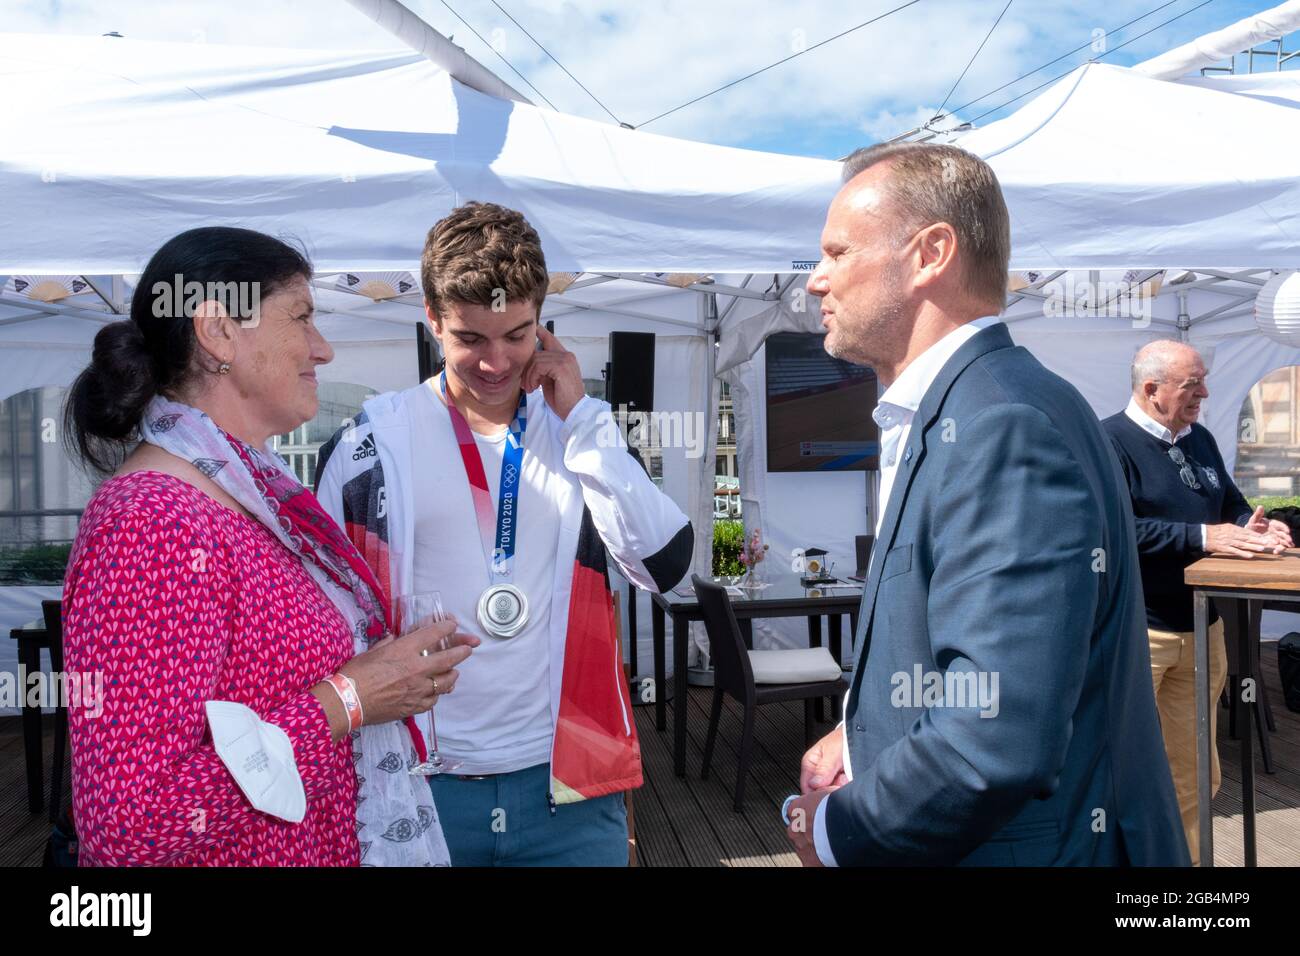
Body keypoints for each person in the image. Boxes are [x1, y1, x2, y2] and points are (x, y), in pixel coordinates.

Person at [786, 142, 1189, 866]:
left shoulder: (1002, 423)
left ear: (929, 253)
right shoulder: (975, 405)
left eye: (837, 251)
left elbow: (994, 733)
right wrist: (858, 730)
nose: (816, 280)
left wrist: (834, 831)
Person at [61, 226, 476, 866]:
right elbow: (131, 827)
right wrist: (348, 700)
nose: (324, 348)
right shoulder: (153, 519)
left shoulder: (249, 494)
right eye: (302, 318)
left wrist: (381, 671)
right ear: (218, 331)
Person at [315, 201, 693, 866]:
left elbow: (665, 563)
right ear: (432, 320)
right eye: (470, 338)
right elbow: (322, 618)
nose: (495, 363)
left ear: (543, 325)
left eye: (516, 336)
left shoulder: (577, 428)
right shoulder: (374, 440)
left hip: (567, 789)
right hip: (420, 786)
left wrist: (584, 422)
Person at [1102, 340, 1292, 864]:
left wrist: (1254, 524)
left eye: (1203, 381)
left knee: (1195, 774)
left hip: (1202, 632)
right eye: (1192, 386)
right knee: (1130, 771)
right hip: (1139, 634)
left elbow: (1228, 505)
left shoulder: (1200, 438)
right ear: (1151, 389)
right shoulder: (1108, 442)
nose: (1204, 393)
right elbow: (1114, 529)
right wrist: (1205, 538)